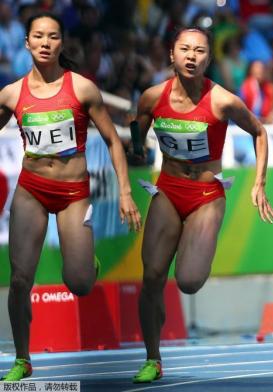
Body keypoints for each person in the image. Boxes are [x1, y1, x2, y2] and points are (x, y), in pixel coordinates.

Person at [131, 27, 273, 383]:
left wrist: (259, 182)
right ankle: (153, 358)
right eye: (185, 49)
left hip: (206, 194)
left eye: (199, 51)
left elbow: (259, 131)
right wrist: (137, 144)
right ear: (172, 55)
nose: (192, 56)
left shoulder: (222, 101)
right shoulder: (152, 96)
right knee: (151, 277)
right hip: (168, 188)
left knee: (189, 281)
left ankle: (189, 241)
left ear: (208, 59)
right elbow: (138, 123)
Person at [0, 12, 141, 381]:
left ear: (61, 43)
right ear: (27, 43)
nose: (46, 43)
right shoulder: (12, 94)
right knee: (19, 279)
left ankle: (86, 263)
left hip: (73, 193)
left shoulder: (81, 88)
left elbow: (112, 139)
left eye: (53, 36)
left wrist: (125, 191)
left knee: (79, 283)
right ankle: (22, 357)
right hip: (31, 189)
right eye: (38, 37)